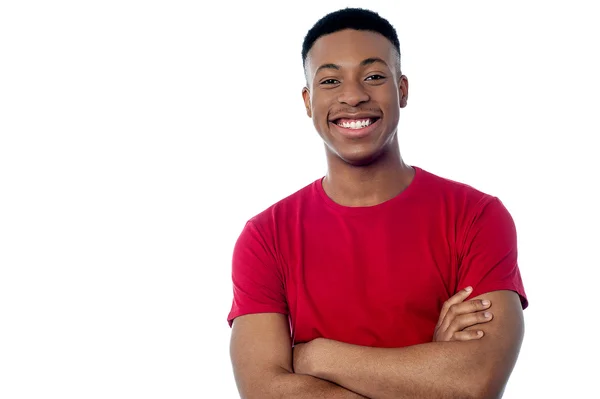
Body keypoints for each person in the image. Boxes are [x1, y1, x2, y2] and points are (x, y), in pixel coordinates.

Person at [227, 7, 528, 399]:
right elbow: (265, 390)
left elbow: (473, 383)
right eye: (331, 80)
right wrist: (428, 367)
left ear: (402, 89)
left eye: (373, 76)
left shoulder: (476, 217)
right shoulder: (264, 238)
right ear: (308, 100)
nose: (353, 96)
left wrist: (317, 356)